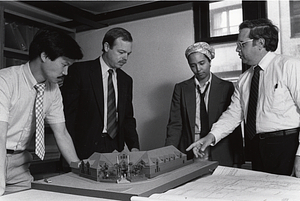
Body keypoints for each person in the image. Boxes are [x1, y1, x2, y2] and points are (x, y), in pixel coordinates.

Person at [187, 18, 300, 177]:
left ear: (260, 43)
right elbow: (233, 115)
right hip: (256, 148)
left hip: (287, 146)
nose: (237, 49)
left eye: (242, 44)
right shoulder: (245, 79)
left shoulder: (290, 66)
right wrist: (210, 137)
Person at [0, 28, 83, 195]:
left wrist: (81, 171)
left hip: (19, 163)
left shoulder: (53, 90)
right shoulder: (5, 81)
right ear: (45, 56)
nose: (65, 72)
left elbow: (62, 133)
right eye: (64, 64)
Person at [61, 27, 140, 160]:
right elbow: (68, 116)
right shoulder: (80, 72)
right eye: (121, 52)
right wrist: (68, 158)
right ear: (107, 46)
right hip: (83, 149)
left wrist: (134, 147)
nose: (125, 58)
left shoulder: (126, 80)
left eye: (128, 54)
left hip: (114, 149)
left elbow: (127, 118)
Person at [165, 42, 244, 167]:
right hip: (191, 148)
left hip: (219, 148)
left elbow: (233, 123)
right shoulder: (181, 89)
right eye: (193, 65)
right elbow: (175, 125)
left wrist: (238, 158)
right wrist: (168, 155)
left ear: (210, 61)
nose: (198, 69)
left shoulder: (226, 87)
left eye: (202, 63)